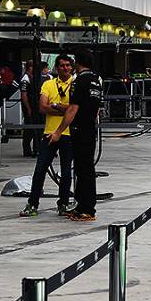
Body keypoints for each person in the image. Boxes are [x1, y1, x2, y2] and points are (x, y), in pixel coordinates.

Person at [48, 49, 102, 221]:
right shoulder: (96, 81)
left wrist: (58, 130)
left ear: (78, 63)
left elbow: (73, 108)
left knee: (83, 169)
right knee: (85, 168)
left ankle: (87, 209)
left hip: (79, 130)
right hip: (90, 129)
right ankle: (82, 205)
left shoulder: (80, 81)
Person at [21, 55, 74, 217]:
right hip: (49, 133)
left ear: (71, 67)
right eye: (62, 66)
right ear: (56, 68)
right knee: (40, 169)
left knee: (66, 172)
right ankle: (32, 204)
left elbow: (75, 109)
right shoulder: (48, 84)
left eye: (67, 65)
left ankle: (63, 204)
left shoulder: (75, 84)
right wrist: (64, 108)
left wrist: (55, 105)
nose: (65, 68)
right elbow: (42, 108)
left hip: (69, 134)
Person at [20, 60, 49, 157]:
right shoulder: (25, 79)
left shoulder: (35, 78)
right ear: (30, 68)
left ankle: (36, 148)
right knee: (29, 129)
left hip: (35, 107)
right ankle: (27, 150)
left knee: (36, 128)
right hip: (29, 106)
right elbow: (24, 96)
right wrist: (28, 108)